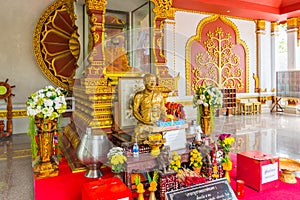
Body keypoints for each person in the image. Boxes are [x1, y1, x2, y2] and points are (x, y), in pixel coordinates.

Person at [132, 73, 167, 142]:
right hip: (144, 125)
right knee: (137, 135)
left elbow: (163, 109)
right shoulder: (139, 96)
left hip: (157, 124)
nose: (152, 84)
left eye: (154, 81)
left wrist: (165, 119)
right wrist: (144, 121)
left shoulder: (159, 95)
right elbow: (135, 111)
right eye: (149, 81)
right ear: (144, 83)